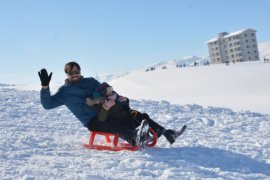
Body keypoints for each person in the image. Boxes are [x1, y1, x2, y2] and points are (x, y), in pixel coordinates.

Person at [38, 61, 149, 147]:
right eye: (71, 73)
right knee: (111, 122)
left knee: (122, 113)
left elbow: (106, 90)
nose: (75, 75)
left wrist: (117, 97)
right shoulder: (64, 92)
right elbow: (48, 105)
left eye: (77, 72)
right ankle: (133, 138)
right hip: (91, 121)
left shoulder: (90, 81)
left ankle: (142, 133)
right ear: (67, 74)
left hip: (104, 110)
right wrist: (45, 87)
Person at [86, 82, 186, 145]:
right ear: (104, 93)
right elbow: (102, 118)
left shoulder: (115, 97)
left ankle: (167, 133)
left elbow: (127, 107)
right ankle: (136, 137)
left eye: (112, 89)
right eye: (109, 90)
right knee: (134, 116)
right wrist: (106, 107)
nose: (112, 91)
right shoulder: (101, 102)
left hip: (127, 119)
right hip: (120, 124)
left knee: (140, 115)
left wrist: (124, 100)